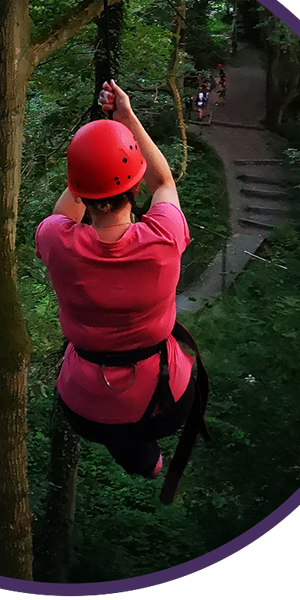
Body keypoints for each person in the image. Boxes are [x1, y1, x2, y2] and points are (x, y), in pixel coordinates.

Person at [35, 80, 199, 480]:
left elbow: (64, 213)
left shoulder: (57, 242)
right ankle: (145, 455)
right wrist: (125, 118)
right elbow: (164, 184)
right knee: (140, 413)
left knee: (113, 425)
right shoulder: (163, 236)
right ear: (135, 184)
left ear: (79, 190)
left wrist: (90, 164)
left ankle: (143, 460)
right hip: (167, 400)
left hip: (86, 409)